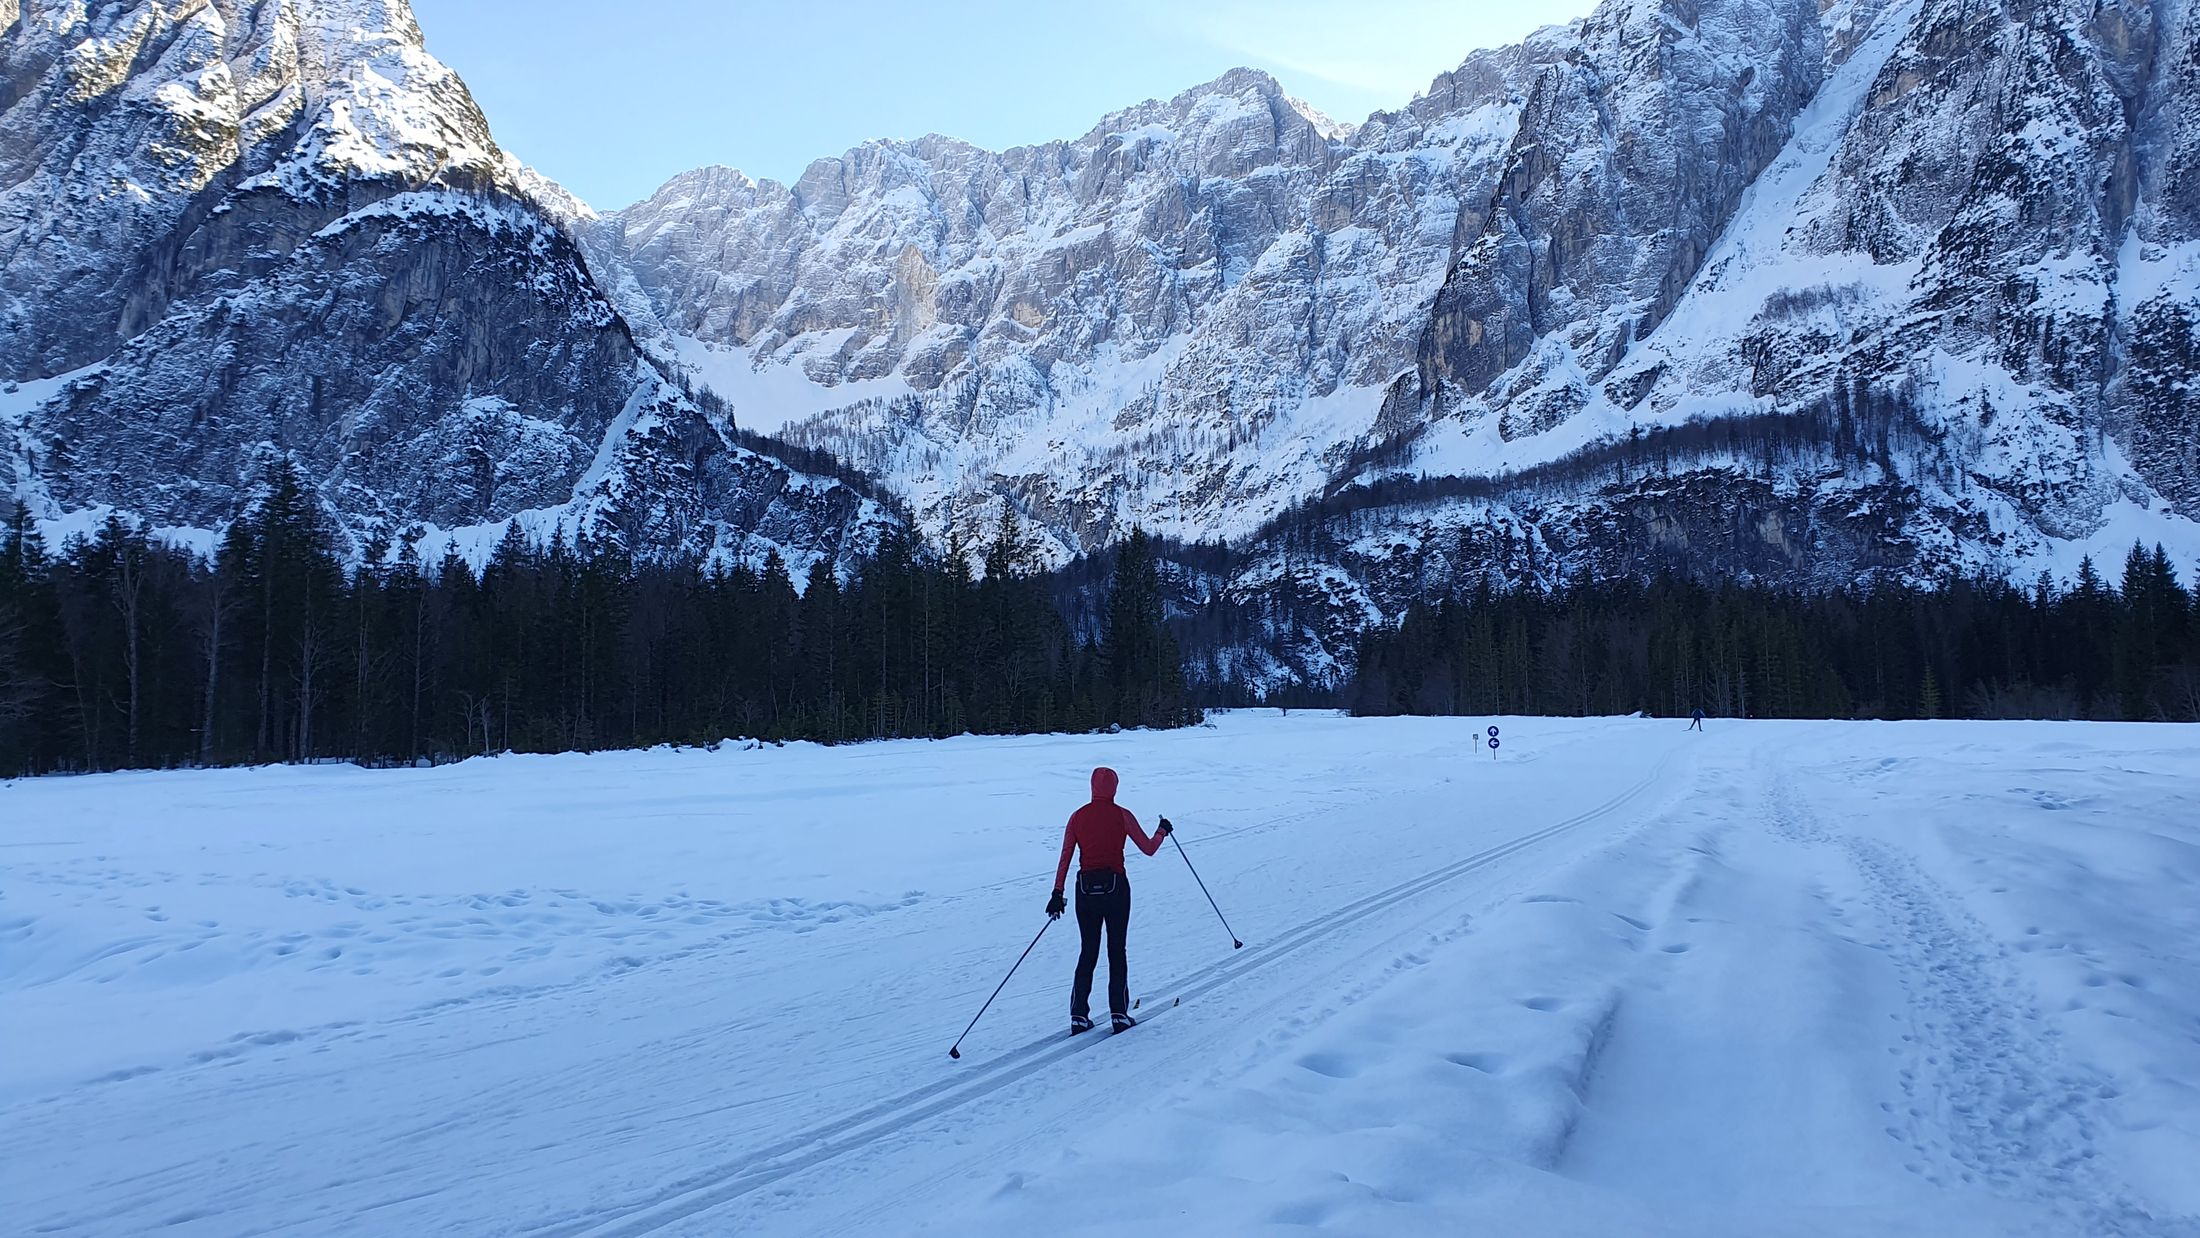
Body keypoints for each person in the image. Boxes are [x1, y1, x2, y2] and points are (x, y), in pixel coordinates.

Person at [1046, 766, 1170, 1034]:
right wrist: (1161, 831)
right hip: (1116, 890)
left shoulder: (1077, 817)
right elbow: (1148, 849)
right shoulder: (1122, 815)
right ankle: (1118, 1013)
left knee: (1088, 950)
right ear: (1114, 787)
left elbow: (1065, 857)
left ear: (1092, 787)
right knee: (1117, 950)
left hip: (1085, 892)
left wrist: (1057, 893)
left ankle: (1079, 1014)